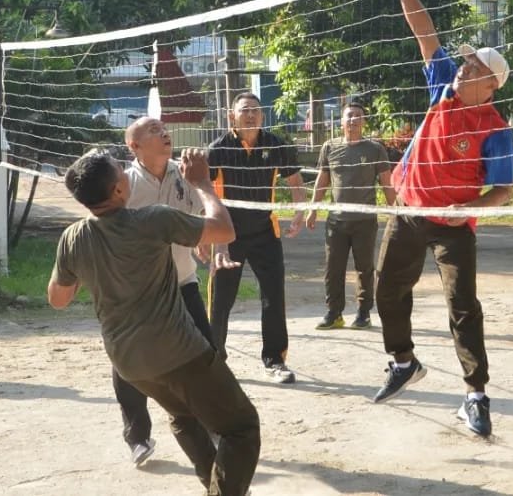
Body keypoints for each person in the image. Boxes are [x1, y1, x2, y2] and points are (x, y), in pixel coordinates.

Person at [49, 148, 260, 496]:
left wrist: (87, 267)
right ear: (118, 191)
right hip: (179, 351)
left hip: (129, 363)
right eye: (122, 170)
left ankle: (219, 487)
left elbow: (58, 299)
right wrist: (204, 184)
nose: (126, 173)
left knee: (183, 416)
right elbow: (224, 231)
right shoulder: (153, 220)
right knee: (241, 427)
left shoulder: (73, 238)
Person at [369, 0, 513, 439]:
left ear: (489, 84)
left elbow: (504, 191)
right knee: (385, 289)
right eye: (465, 60)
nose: (462, 65)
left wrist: (467, 208)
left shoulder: (495, 128)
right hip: (410, 211)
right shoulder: (441, 89)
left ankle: (475, 395)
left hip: (455, 225)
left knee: (462, 306)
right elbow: (422, 29)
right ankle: (404, 361)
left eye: (472, 64)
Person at [111, 116, 217, 468]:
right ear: (135, 146)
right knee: (128, 363)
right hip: (138, 291)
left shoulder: (185, 173)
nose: (163, 132)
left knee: (207, 352)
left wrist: (210, 247)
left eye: (163, 127)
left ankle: (212, 420)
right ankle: (137, 437)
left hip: (183, 281)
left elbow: (210, 219)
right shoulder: (123, 185)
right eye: (152, 130)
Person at [206, 90, 306, 384]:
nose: (251, 114)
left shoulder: (275, 144)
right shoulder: (218, 149)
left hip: (265, 232)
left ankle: (275, 360)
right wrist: (204, 235)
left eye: (256, 110)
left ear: (262, 116)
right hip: (227, 234)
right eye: (245, 110)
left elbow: (294, 178)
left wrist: (299, 210)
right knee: (220, 299)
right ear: (231, 116)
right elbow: (204, 192)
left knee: (273, 298)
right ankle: (214, 359)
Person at [305, 101, 394, 331]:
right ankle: (334, 313)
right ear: (341, 121)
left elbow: (386, 182)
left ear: (363, 121)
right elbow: (322, 180)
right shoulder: (330, 147)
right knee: (333, 268)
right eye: (349, 116)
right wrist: (313, 208)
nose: (353, 120)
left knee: (364, 268)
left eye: (357, 116)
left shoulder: (375, 149)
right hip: (336, 221)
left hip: (364, 221)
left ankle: (363, 313)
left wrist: (396, 212)